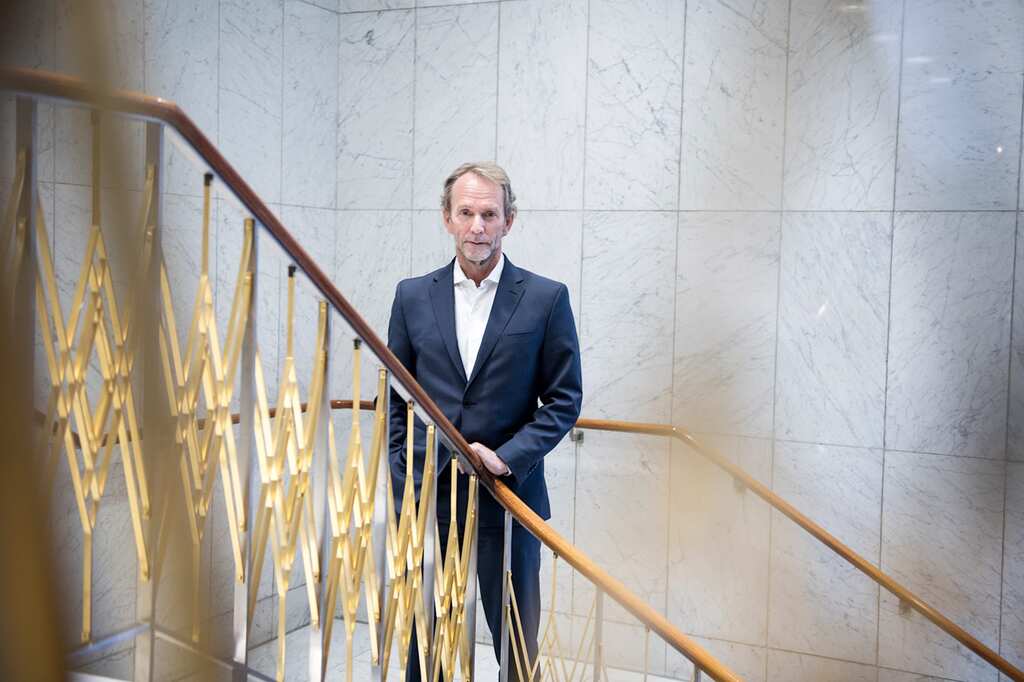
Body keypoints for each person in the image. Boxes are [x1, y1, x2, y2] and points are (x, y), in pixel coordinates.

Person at [387, 161, 583, 681]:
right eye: (466, 213)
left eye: (490, 214)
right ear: (447, 218)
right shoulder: (411, 296)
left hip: (508, 499)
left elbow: (564, 400)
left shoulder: (546, 298)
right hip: (430, 498)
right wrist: (403, 475)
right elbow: (397, 398)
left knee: (515, 641)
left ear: (508, 221)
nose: (478, 226)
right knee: (423, 640)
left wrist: (507, 458)